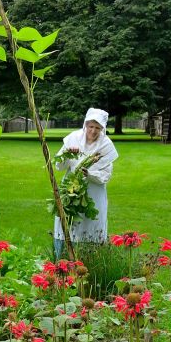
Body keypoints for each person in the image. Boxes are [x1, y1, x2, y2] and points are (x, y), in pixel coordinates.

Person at [53, 107, 118, 251]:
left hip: (93, 192)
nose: (93, 131)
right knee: (68, 222)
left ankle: (90, 261)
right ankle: (64, 259)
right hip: (70, 190)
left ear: (102, 128)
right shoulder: (73, 138)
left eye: (97, 128)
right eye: (90, 126)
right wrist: (67, 153)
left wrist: (89, 174)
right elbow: (59, 165)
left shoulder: (106, 146)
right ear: (85, 125)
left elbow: (105, 176)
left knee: (91, 223)